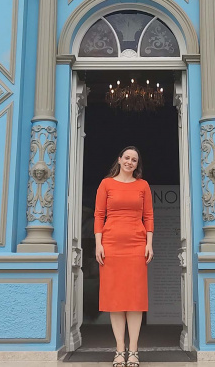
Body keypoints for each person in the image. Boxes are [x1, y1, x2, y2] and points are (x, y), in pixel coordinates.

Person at [94, 146, 154, 367]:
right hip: (111, 246)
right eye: (127, 158)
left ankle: (134, 351)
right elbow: (99, 214)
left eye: (134, 160)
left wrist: (149, 244)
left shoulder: (143, 186)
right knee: (116, 300)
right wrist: (98, 244)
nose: (130, 162)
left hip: (136, 246)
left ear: (137, 164)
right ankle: (120, 350)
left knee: (135, 300)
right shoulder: (106, 184)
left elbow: (148, 216)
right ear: (119, 159)